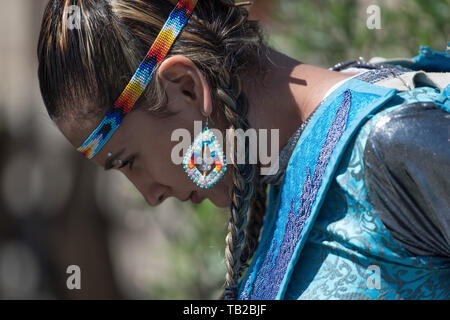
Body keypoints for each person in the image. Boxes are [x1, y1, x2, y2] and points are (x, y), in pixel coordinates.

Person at [37, 0, 450, 300]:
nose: (151, 195)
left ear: (185, 86)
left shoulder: (392, 142)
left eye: (128, 161)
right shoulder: (266, 184)